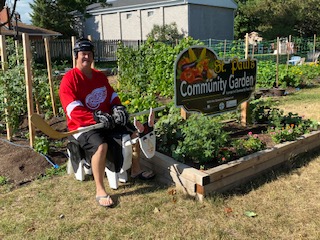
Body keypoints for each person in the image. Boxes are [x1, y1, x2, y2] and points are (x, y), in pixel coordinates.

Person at [59, 38, 155, 207]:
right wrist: (95, 118)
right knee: (101, 146)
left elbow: (111, 95)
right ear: (76, 56)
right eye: (83, 54)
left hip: (107, 121)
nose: (86, 57)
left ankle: (135, 169)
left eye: (89, 54)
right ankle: (100, 189)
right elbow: (73, 110)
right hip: (84, 126)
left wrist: (117, 107)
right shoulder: (69, 80)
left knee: (135, 132)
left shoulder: (99, 76)